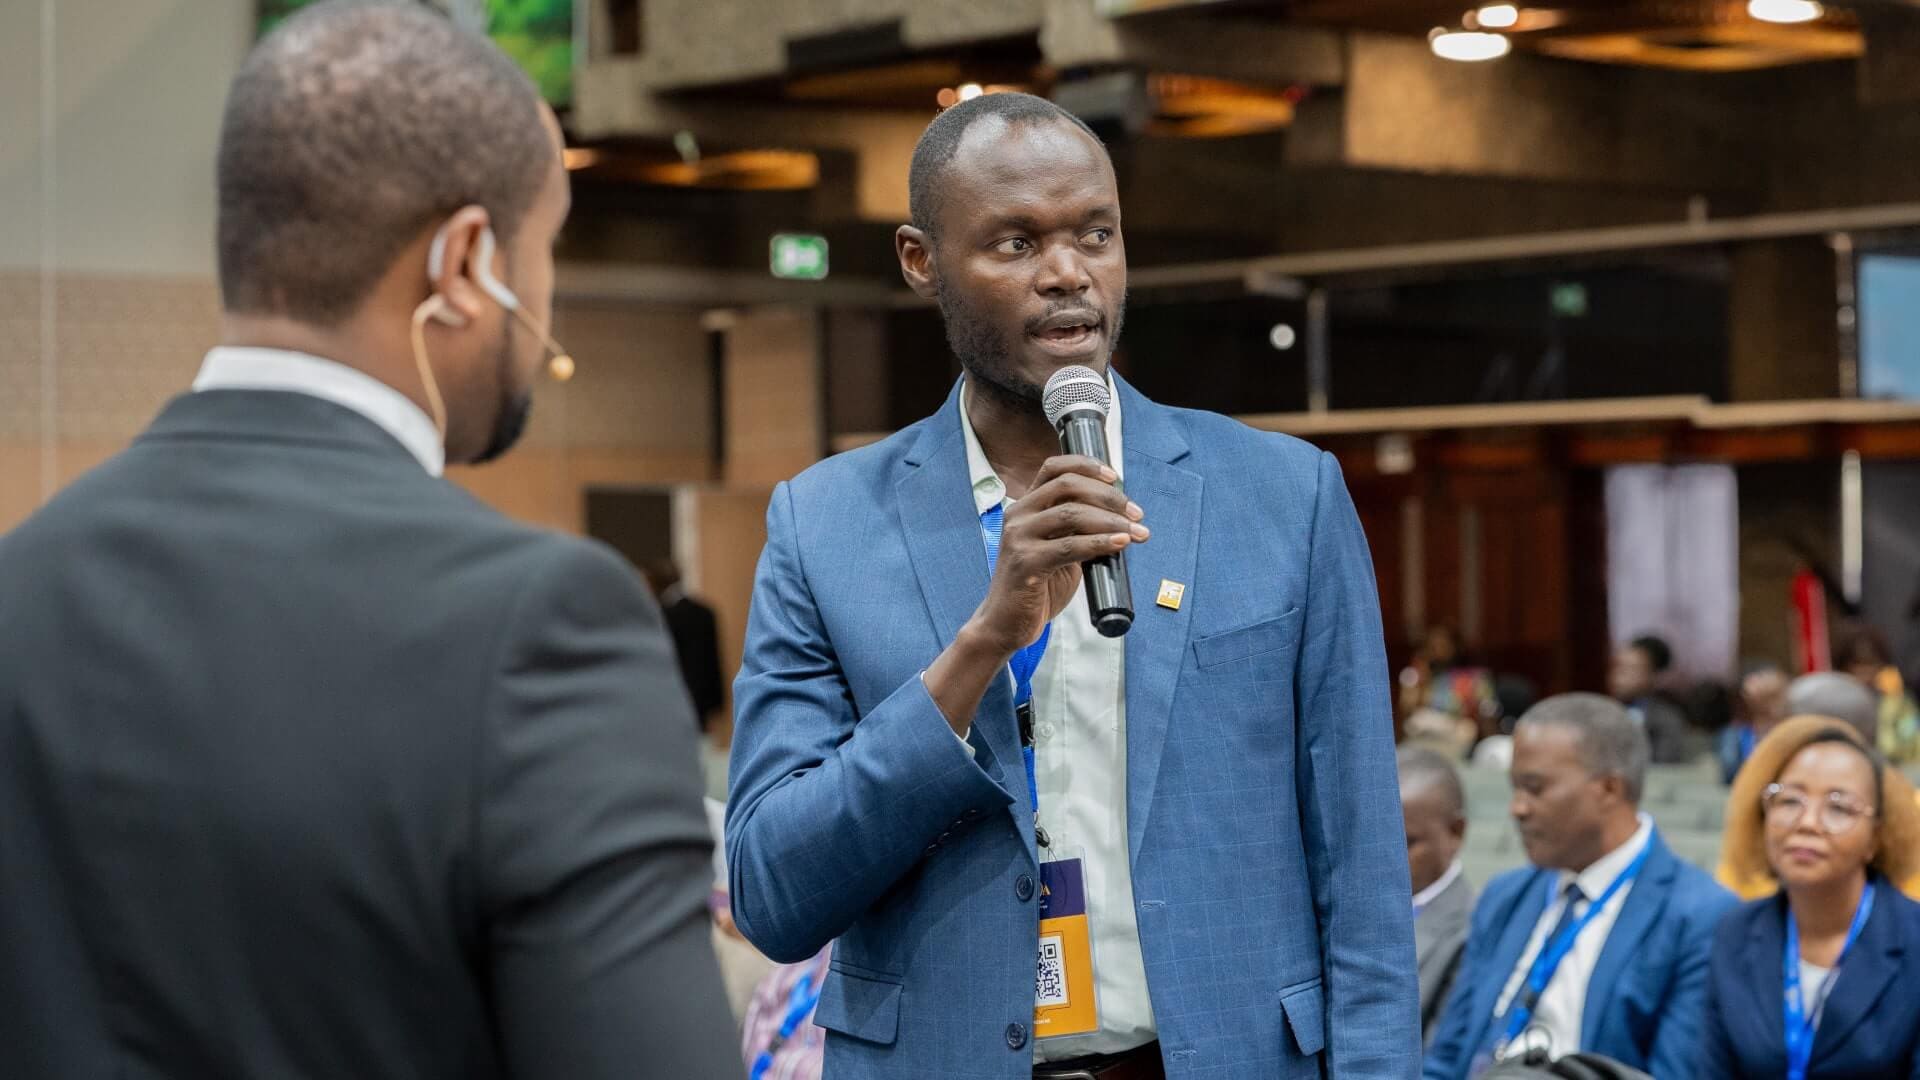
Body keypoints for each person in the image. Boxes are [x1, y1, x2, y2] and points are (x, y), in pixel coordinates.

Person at [0, 5, 738, 1078]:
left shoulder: (20, 589)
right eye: (547, 249)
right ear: (466, 262)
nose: (546, 304)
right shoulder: (542, 627)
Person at [727, 91, 1418, 1080]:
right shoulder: (824, 524)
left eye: (1095, 233)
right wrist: (977, 651)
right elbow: (771, 894)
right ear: (921, 261)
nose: (1067, 274)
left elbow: (1363, 875)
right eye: (1014, 244)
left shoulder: (1283, 496)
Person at [1424, 694, 1737, 1080]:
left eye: (1534, 788)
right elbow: (1446, 1058)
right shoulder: (1505, 895)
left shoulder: (1700, 915)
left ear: (1608, 789)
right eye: (1515, 788)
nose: (1517, 808)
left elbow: (1674, 1073)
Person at [1701, 718, 1920, 1076]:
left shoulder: (1913, 940)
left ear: (1876, 837)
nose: (1807, 822)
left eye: (1838, 807)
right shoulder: (1735, 932)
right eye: (1789, 800)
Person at [1400, 747, 1477, 1047]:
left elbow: (1441, 1055)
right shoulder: (1339, 910)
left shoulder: (1472, 928)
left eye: (1407, 842)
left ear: (1455, 832)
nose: (1383, 858)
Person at [648, 559, 727, 734]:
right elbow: (714, 661)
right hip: (703, 700)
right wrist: (718, 702)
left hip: (673, 697)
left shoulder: (660, 616)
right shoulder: (705, 612)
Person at [1831, 620, 1920, 764]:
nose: (1867, 674)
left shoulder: (1896, 701)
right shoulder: (1834, 703)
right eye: (1858, 666)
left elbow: (1909, 740)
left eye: (1872, 665)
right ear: (1843, 668)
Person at [1607, 634, 1696, 765]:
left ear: (1654, 675)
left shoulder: (1667, 719)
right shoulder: (1600, 710)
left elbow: (1665, 766)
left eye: (1631, 668)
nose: (1619, 676)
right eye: (1617, 667)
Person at [1719, 663, 1788, 785]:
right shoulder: (1734, 735)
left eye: (1775, 699)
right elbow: (1730, 775)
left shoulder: (1791, 732)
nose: (1773, 707)